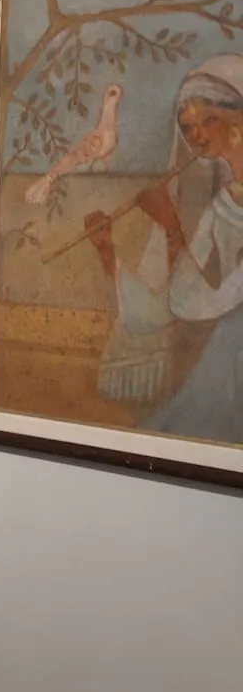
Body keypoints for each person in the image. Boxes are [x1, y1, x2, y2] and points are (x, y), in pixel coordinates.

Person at [87, 56, 243, 440]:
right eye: (187, 127)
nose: (196, 136)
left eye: (208, 120)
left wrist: (171, 224)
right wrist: (109, 252)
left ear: (238, 120)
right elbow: (181, 297)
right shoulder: (227, 201)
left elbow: (215, 298)